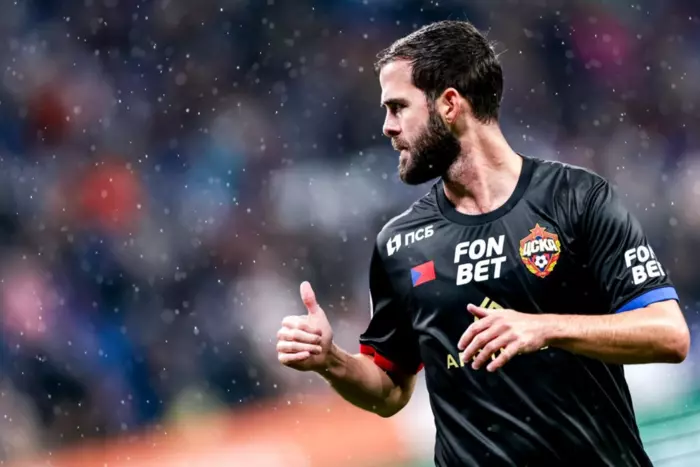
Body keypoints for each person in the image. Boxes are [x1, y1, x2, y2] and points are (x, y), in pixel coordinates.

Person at [275, 20, 690, 467]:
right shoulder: (400, 244)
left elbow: (668, 335)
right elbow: (389, 391)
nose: (387, 127)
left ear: (449, 104)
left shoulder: (576, 198)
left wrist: (545, 328)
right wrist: (330, 360)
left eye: (398, 107)